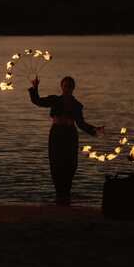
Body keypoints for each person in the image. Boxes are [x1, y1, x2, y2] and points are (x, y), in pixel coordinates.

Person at [29, 76, 104, 205]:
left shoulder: (77, 105)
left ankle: (66, 195)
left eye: (70, 86)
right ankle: (59, 195)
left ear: (73, 88)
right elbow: (37, 101)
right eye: (65, 85)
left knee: (70, 164)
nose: (67, 88)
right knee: (56, 162)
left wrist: (94, 129)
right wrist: (35, 88)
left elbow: (80, 124)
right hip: (56, 134)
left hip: (70, 135)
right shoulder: (55, 100)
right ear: (61, 87)